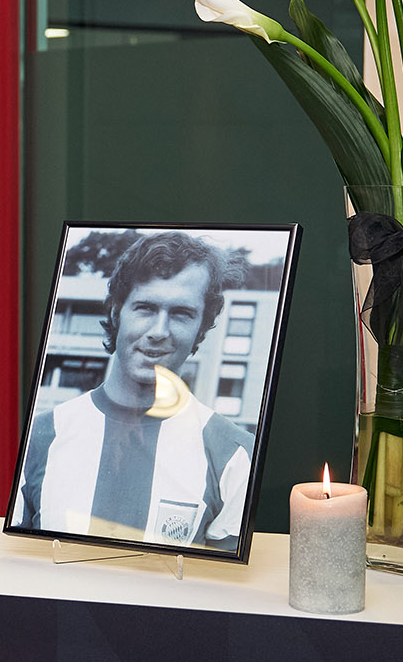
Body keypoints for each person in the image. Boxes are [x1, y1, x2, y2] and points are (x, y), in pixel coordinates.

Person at [13, 231, 254, 550]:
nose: (159, 331)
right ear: (116, 312)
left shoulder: (235, 454)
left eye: (181, 314)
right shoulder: (41, 437)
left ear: (202, 327)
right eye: (145, 308)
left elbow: (221, 588)